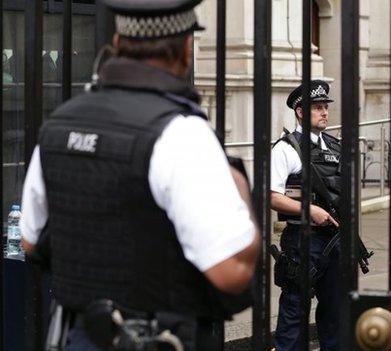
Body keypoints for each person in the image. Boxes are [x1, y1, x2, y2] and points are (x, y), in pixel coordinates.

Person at [19, 0, 259, 350]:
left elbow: (29, 240)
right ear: (186, 49)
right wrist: (240, 190)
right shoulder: (181, 133)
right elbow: (231, 271)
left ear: (117, 44)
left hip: (80, 335)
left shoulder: (60, 122)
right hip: (159, 337)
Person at [271, 80, 341, 350]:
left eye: (326, 107)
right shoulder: (286, 148)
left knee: (336, 313)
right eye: (318, 108)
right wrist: (309, 210)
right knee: (294, 311)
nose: (325, 112)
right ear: (300, 112)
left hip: (334, 240)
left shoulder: (334, 147)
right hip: (303, 241)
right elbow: (271, 196)